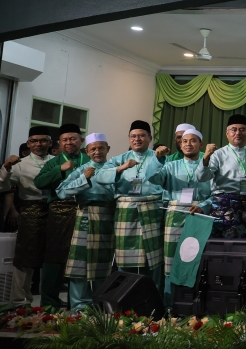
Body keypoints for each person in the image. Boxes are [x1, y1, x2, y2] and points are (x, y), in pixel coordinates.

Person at [93, 120, 170, 292]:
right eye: (133, 136)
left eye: (142, 135)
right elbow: (99, 177)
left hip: (152, 208)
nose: (137, 139)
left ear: (150, 138)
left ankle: (153, 297)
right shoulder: (119, 159)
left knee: (153, 258)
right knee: (124, 256)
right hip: (126, 211)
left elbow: (167, 181)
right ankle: (123, 297)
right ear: (129, 138)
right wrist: (123, 167)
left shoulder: (159, 157)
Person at [146, 128, 213, 300]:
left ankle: (194, 302)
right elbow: (152, 178)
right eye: (184, 141)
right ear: (180, 145)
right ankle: (170, 303)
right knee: (171, 259)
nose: (188, 144)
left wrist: (204, 206)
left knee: (196, 258)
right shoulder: (170, 165)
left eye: (193, 140)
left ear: (201, 144)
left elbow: (216, 194)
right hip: (175, 215)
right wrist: (156, 159)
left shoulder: (209, 166)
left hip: (199, 215)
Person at [56, 133, 117, 310]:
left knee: (104, 264)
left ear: (108, 149)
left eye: (101, 148)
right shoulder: (81, 170)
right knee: (79, 264)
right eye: (93, 149)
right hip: (85, 215)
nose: (97, 152)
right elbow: (61, 191)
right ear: (87, 151)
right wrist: (84, 178)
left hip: (109, 216)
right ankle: (79, 307)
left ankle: (102, 305)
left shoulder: (115, 169)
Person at [34, 124, 89, 308]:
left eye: (72, 139)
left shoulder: (89, 159)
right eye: (64, 140)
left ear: (81, 140)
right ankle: (49, 301)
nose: (68, 142)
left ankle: (78, 302)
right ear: (59, 142)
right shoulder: (55, 162)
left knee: (81, 256)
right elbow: (39, 182)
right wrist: (60, 169)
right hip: (59, 211)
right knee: (54, 257)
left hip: (85, 210)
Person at [0, 127, 54, 305]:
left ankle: (49, 301)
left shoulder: (58, 161)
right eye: (34, 141)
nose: (39, 144)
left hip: (55, 210)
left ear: (50, 143)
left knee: (53, 257)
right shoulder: (20, 164)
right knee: (26, 257)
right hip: (31, 210)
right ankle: (20, 300)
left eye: (43, 140)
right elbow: (2, 186)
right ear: (28, 143)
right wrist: (6, 167)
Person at [197, 114, 246, 239]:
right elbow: (201, 177)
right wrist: (205, 157)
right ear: (227, 133)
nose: (238, 133)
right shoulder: (218, 154)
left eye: (242, 129)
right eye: (234, 129)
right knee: (222, 245)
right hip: (224, 207)